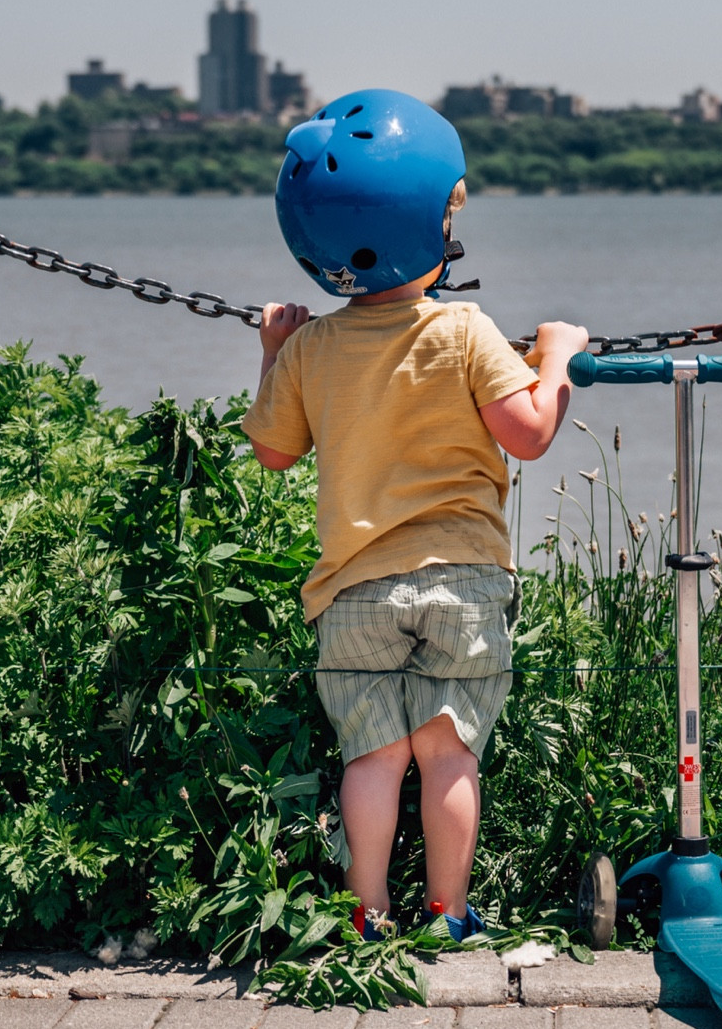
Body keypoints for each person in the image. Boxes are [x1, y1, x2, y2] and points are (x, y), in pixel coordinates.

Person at [240, 88, 585, 942]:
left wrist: (275, 351)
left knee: (373, 758)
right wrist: (558, 357)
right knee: (447, 754)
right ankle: (447, 911)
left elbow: (276, 453)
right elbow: (531, 434)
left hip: (354, 592)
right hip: (461, 583)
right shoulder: (466, 330)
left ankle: (366, 912)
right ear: (431, 228)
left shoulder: (313, 347)